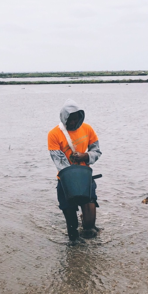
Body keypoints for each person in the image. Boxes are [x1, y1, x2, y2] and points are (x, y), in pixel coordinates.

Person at [48, 99, 102, 241]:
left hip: (86, 178)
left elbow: (96, 151)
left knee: (90, 228)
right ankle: (73, 241)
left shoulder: (87, 129)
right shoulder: (54, 134)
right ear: (64, 118)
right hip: (65, 179)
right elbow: (58, 160)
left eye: (76, 119)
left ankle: (86, 224)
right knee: (71, 224)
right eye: (70, 120)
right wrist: (74, 174)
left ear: (80, 118)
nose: (72, 123)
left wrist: (86, 156)